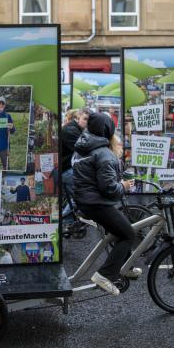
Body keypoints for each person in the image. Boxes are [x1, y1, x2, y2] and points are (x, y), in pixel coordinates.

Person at [72, 112, 137, 296]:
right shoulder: (104, 154)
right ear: (108, 130)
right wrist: (123, 186)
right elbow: (109, 189)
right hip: (97, 203)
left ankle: (124, 266)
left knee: (120, 229)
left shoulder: (82, 146)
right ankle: (104, 274)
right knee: (128, 234)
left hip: (85, 201)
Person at [61, 108, 89, 199]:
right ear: (77, 118)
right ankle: (69, 212)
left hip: (70, 167)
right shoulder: (71, 130)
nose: (87, 122)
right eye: (85, 119)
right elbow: (83, 150)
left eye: (89, 120)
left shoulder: (78, 129)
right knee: (80, 198)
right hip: (67, 169)